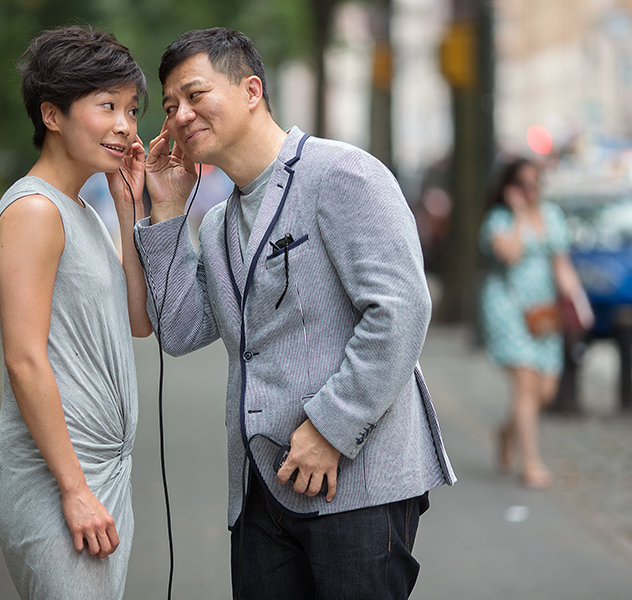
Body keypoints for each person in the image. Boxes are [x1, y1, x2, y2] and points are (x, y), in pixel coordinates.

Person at [135, 27, 455, 599]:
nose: (180, 115)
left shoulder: (342, 175)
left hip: (357, 486)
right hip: (259, 493)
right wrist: (165, 211)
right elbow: (180, 331)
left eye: (195, 94)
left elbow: (401, 309)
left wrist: (331, 427)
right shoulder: (216, 224)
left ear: (252, 90)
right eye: (170, 105)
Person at [0, 26, 151, 599]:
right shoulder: (34, 210)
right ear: (52, 115)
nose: (126, 125)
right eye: (107, 106)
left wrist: (129, 213)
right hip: (59, 476)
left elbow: (137, 321)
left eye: (131, 109)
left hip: (101, 472)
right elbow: (24, 358)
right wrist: (74, 489)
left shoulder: (80, 210)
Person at [478, 156, 586, 489]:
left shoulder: (552, 215)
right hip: (507, 307)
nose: (530, 191)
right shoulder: (499, 219)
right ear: (510, 188)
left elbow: (560, 263)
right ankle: (532, 463)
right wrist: (521, 215)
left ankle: (506, 432)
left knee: (545, 391)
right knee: (526, 383)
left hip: (544, 313)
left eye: (534, 184)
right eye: (522, 185)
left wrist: (578, 301)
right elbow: (508, 254)